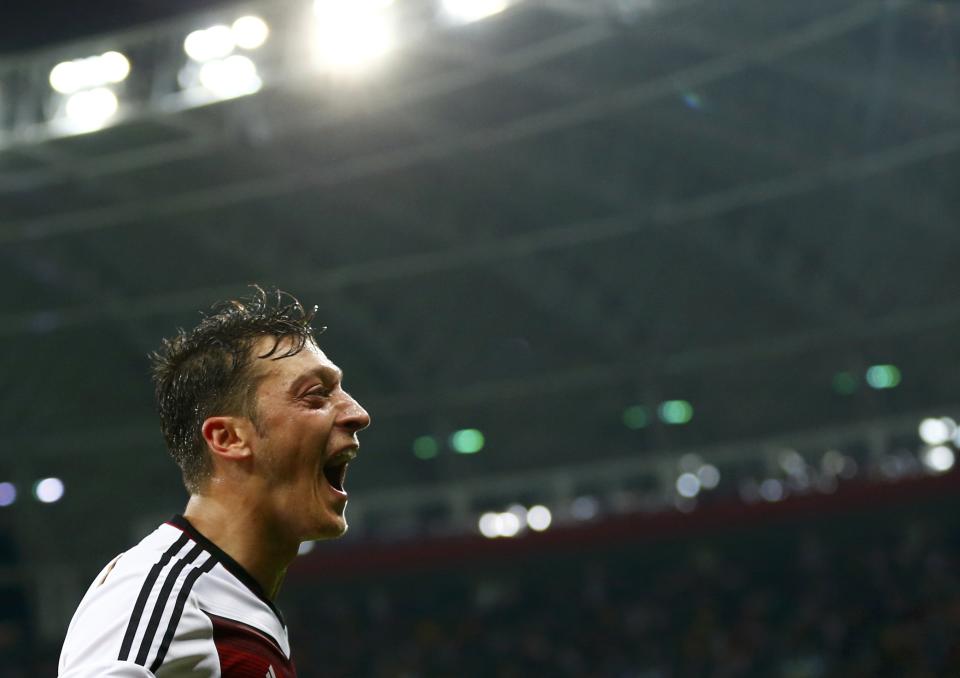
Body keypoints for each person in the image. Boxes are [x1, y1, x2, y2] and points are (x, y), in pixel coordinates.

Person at [58, 286, 371, 677]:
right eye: (315, 395)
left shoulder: (233, 600)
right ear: (229, 439)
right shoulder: (160, 596)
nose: (358, 413)